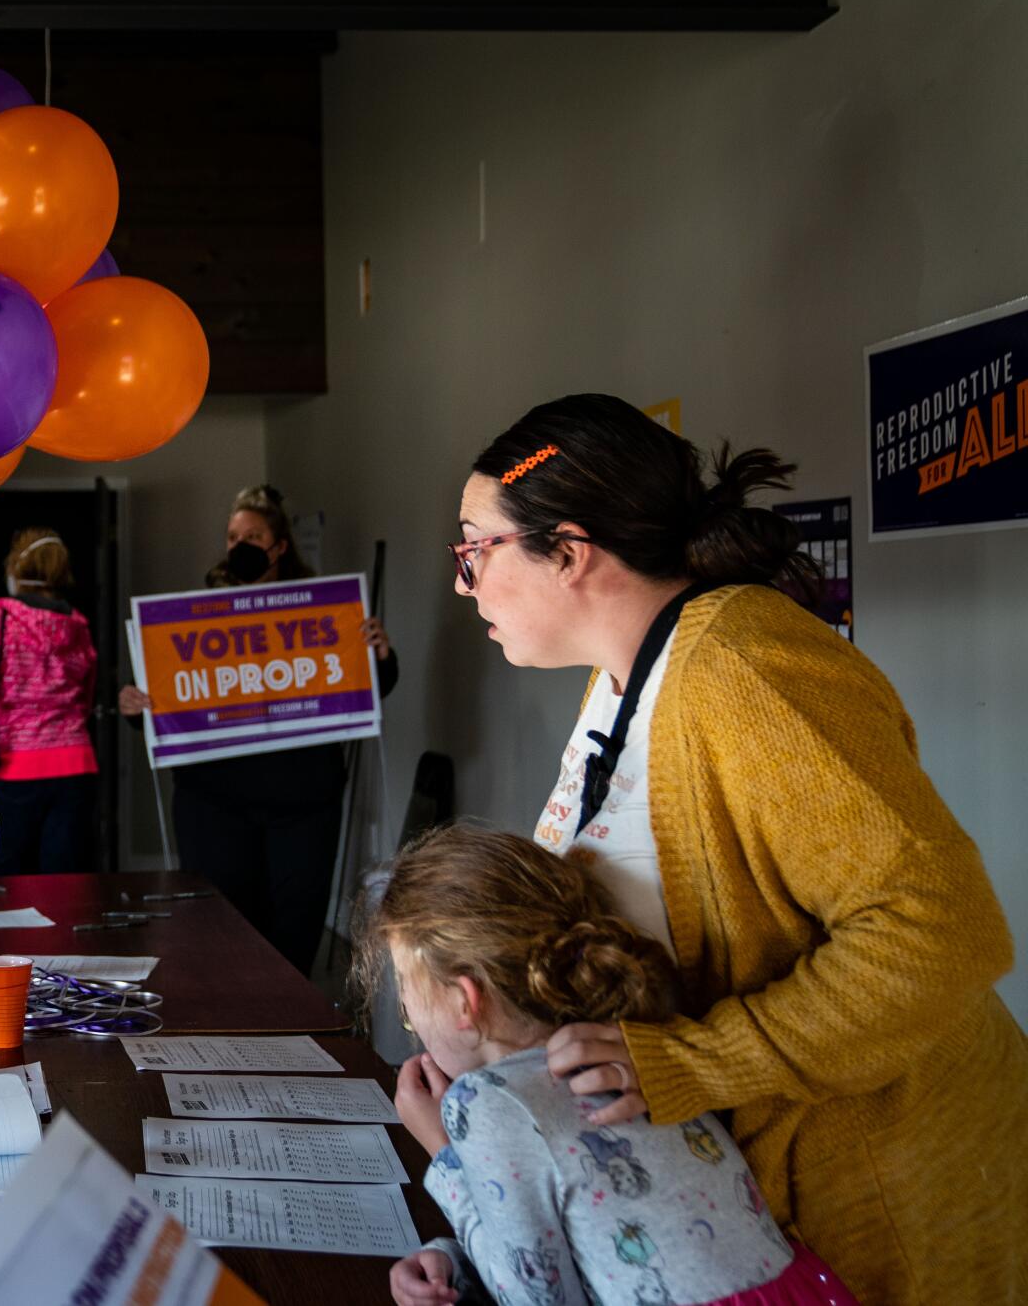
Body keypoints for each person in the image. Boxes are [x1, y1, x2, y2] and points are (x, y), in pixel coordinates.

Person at [452, 393, 1027, 1303]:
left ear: (569, 551)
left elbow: (942, 934)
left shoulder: (744, 670)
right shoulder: (620, 679)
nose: (463, 581)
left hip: (885, 1193)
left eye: (475, 548)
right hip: (743, 1197)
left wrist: (701, 1062)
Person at [364, 823, 859, 1306]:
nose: (407, 1012)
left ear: (464, 1001)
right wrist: (448, 1260)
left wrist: (444, 1155)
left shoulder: (489, 1101)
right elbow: (573, 1243)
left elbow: (535, 1295)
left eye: (406, 991)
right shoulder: (640, 1052)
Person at [117, 484, 396, 972]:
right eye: (231, 535)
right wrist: (136, 706)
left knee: (296, 929)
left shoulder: (325, 612)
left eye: (252, 534)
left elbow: (370, 688)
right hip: (215, 805)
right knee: (221, 932)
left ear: (280, 545)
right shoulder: (192, 620)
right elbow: (172, 707)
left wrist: (379, 656)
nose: (238, 543)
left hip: (303, 805)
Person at [0, 528, 99, 874]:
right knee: (64, 883)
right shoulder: (78, 624)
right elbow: (86, 696)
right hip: (75, 764)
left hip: (13, 764)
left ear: (15, 568)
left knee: (5, 881)